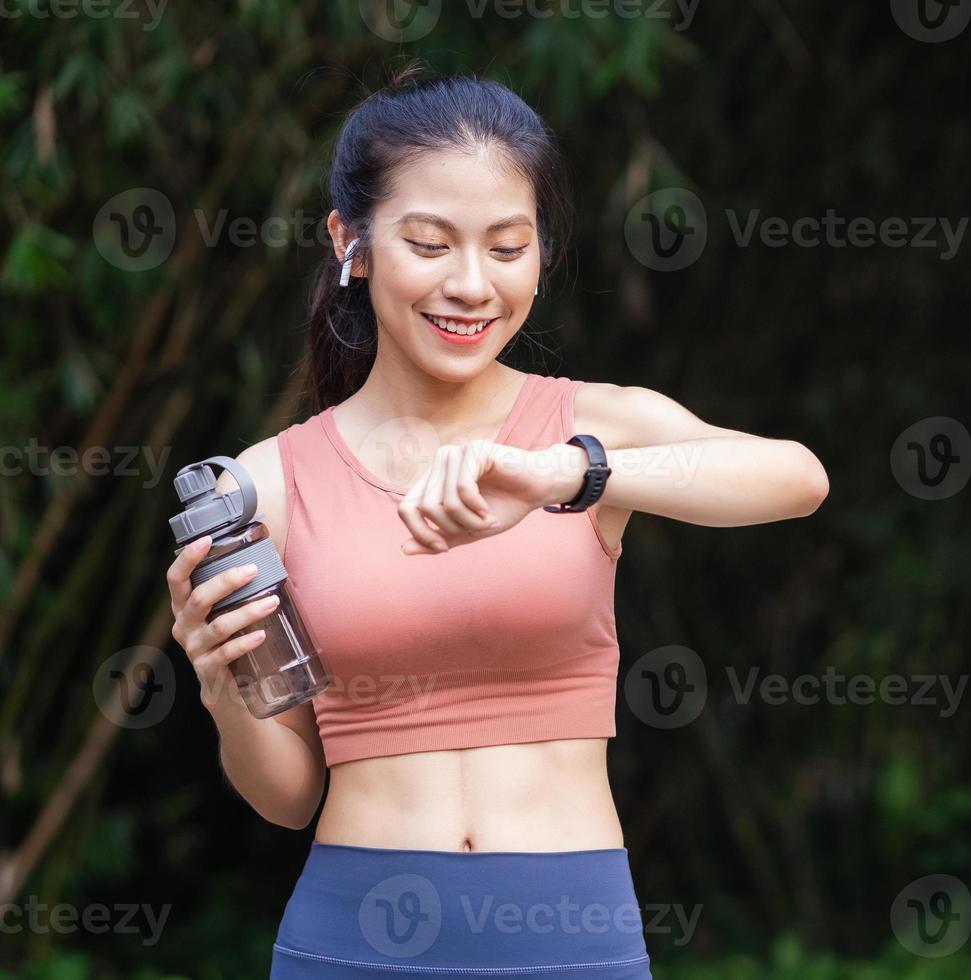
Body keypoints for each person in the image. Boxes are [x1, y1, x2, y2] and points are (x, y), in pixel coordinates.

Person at [163, 67, 828, 978]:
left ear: (543, 254)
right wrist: (217, 681)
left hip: (569, 940)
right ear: (350, 241)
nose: (471, 286)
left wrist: (571, 472)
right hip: (354, 941)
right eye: (430, 244)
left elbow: (797, 477)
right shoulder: (269, 482)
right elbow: (286, 797)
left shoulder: (585, 428)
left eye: (507, 249)